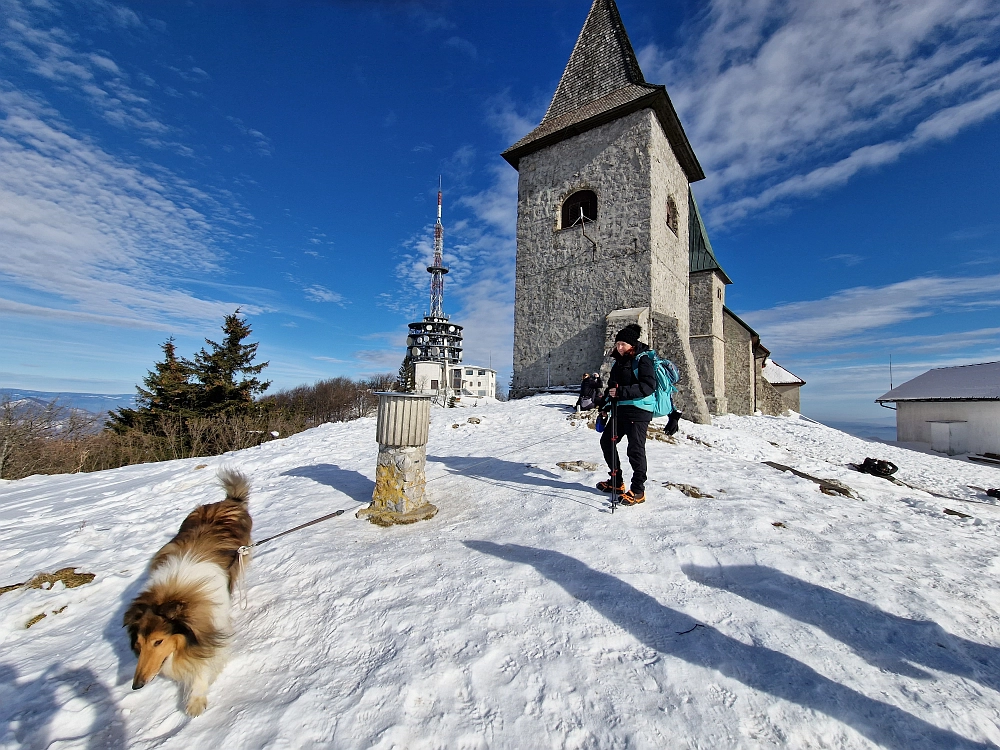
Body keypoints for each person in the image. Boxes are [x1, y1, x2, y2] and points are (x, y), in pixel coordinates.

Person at [597, 323, 656, 506]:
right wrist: (605, 407)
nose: (619, 347)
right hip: (620, 410)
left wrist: (622, 392)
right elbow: (612, 388)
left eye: (623, 344)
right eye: (618, 344)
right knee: (607, 442)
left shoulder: (643, 360)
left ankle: (638, 490)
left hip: (639, 411)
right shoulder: (618, 362)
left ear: (632, 345)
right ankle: (616, 482)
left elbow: (648, 386)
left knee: (635, 450)